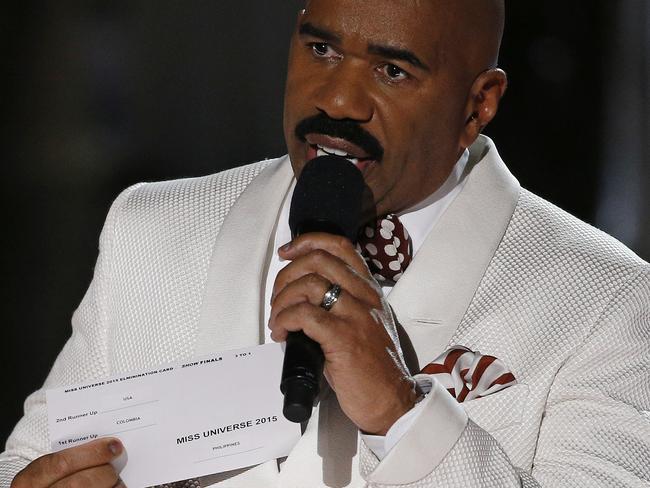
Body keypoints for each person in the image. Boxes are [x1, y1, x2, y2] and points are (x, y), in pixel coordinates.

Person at [3, 0, 649, 486]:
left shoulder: (608, 306)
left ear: (478, 105)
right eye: (321, 50)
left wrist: (402, 414)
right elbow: (29, 463)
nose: (339, 99)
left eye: (393, 70)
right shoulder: (150, 231)